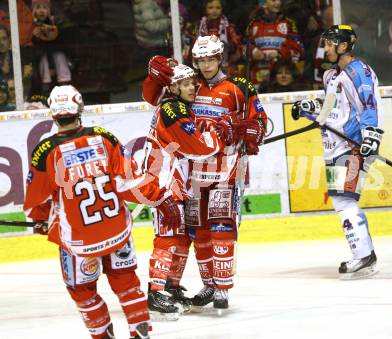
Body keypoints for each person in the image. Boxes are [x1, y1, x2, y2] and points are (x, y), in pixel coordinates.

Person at [23, 85, 183, 338]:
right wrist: (160, 197)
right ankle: (141, 335)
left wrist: (42, 221)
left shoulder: (45, 152)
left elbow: (36, 201)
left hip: (79, 240)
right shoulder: (103, 137)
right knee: (129, 287)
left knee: (82, 291)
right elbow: (127, 183)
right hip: (118, 231)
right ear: (80, 108)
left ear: (52, 113)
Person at [143, 35, 267, 312]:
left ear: (220, 57)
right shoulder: (187, 84)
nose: (206, 64)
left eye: (211, 58)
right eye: (200, 59)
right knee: (196, 231)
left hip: (227, 169)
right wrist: (153, 74)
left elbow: (261, 124)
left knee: (221, 228)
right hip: (192, 175)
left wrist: (246, 131)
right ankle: (205, 283)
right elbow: (153, 97)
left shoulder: (239, 87)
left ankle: (221, 289)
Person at [143, 61, 237, 319]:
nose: (192, 87)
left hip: (175, 183)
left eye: (192, 82)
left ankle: (170, 287)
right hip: (162, 184)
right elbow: (198, 146)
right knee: (168, 236)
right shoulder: (172, 109)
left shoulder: (177, 105)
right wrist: (220, 135)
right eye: (185, 84)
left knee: (182, 236)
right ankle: (154, 292)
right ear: (173, 87)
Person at [292, 25, 383, 280]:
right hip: (333, 146)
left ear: (344, 45)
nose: (326, 48)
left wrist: (371, 134)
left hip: (353, 144)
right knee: (340, 200)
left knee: (344, 200)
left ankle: (364, 256)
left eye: (331, 43)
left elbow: (368, 104)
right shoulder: (330, 76)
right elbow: (329, 111)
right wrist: (309, 108)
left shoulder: (359, 71)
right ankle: (364, 255)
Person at [247, 0, 304, 86]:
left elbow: (298, 48)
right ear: (264, 4)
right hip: (258, 76)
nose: (278, 3)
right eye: (273, 0)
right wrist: (253, 51)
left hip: (281, 78)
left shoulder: (288, 23)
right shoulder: (253, 24)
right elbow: (244, 45)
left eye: (279, 0)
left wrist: (279, 54)